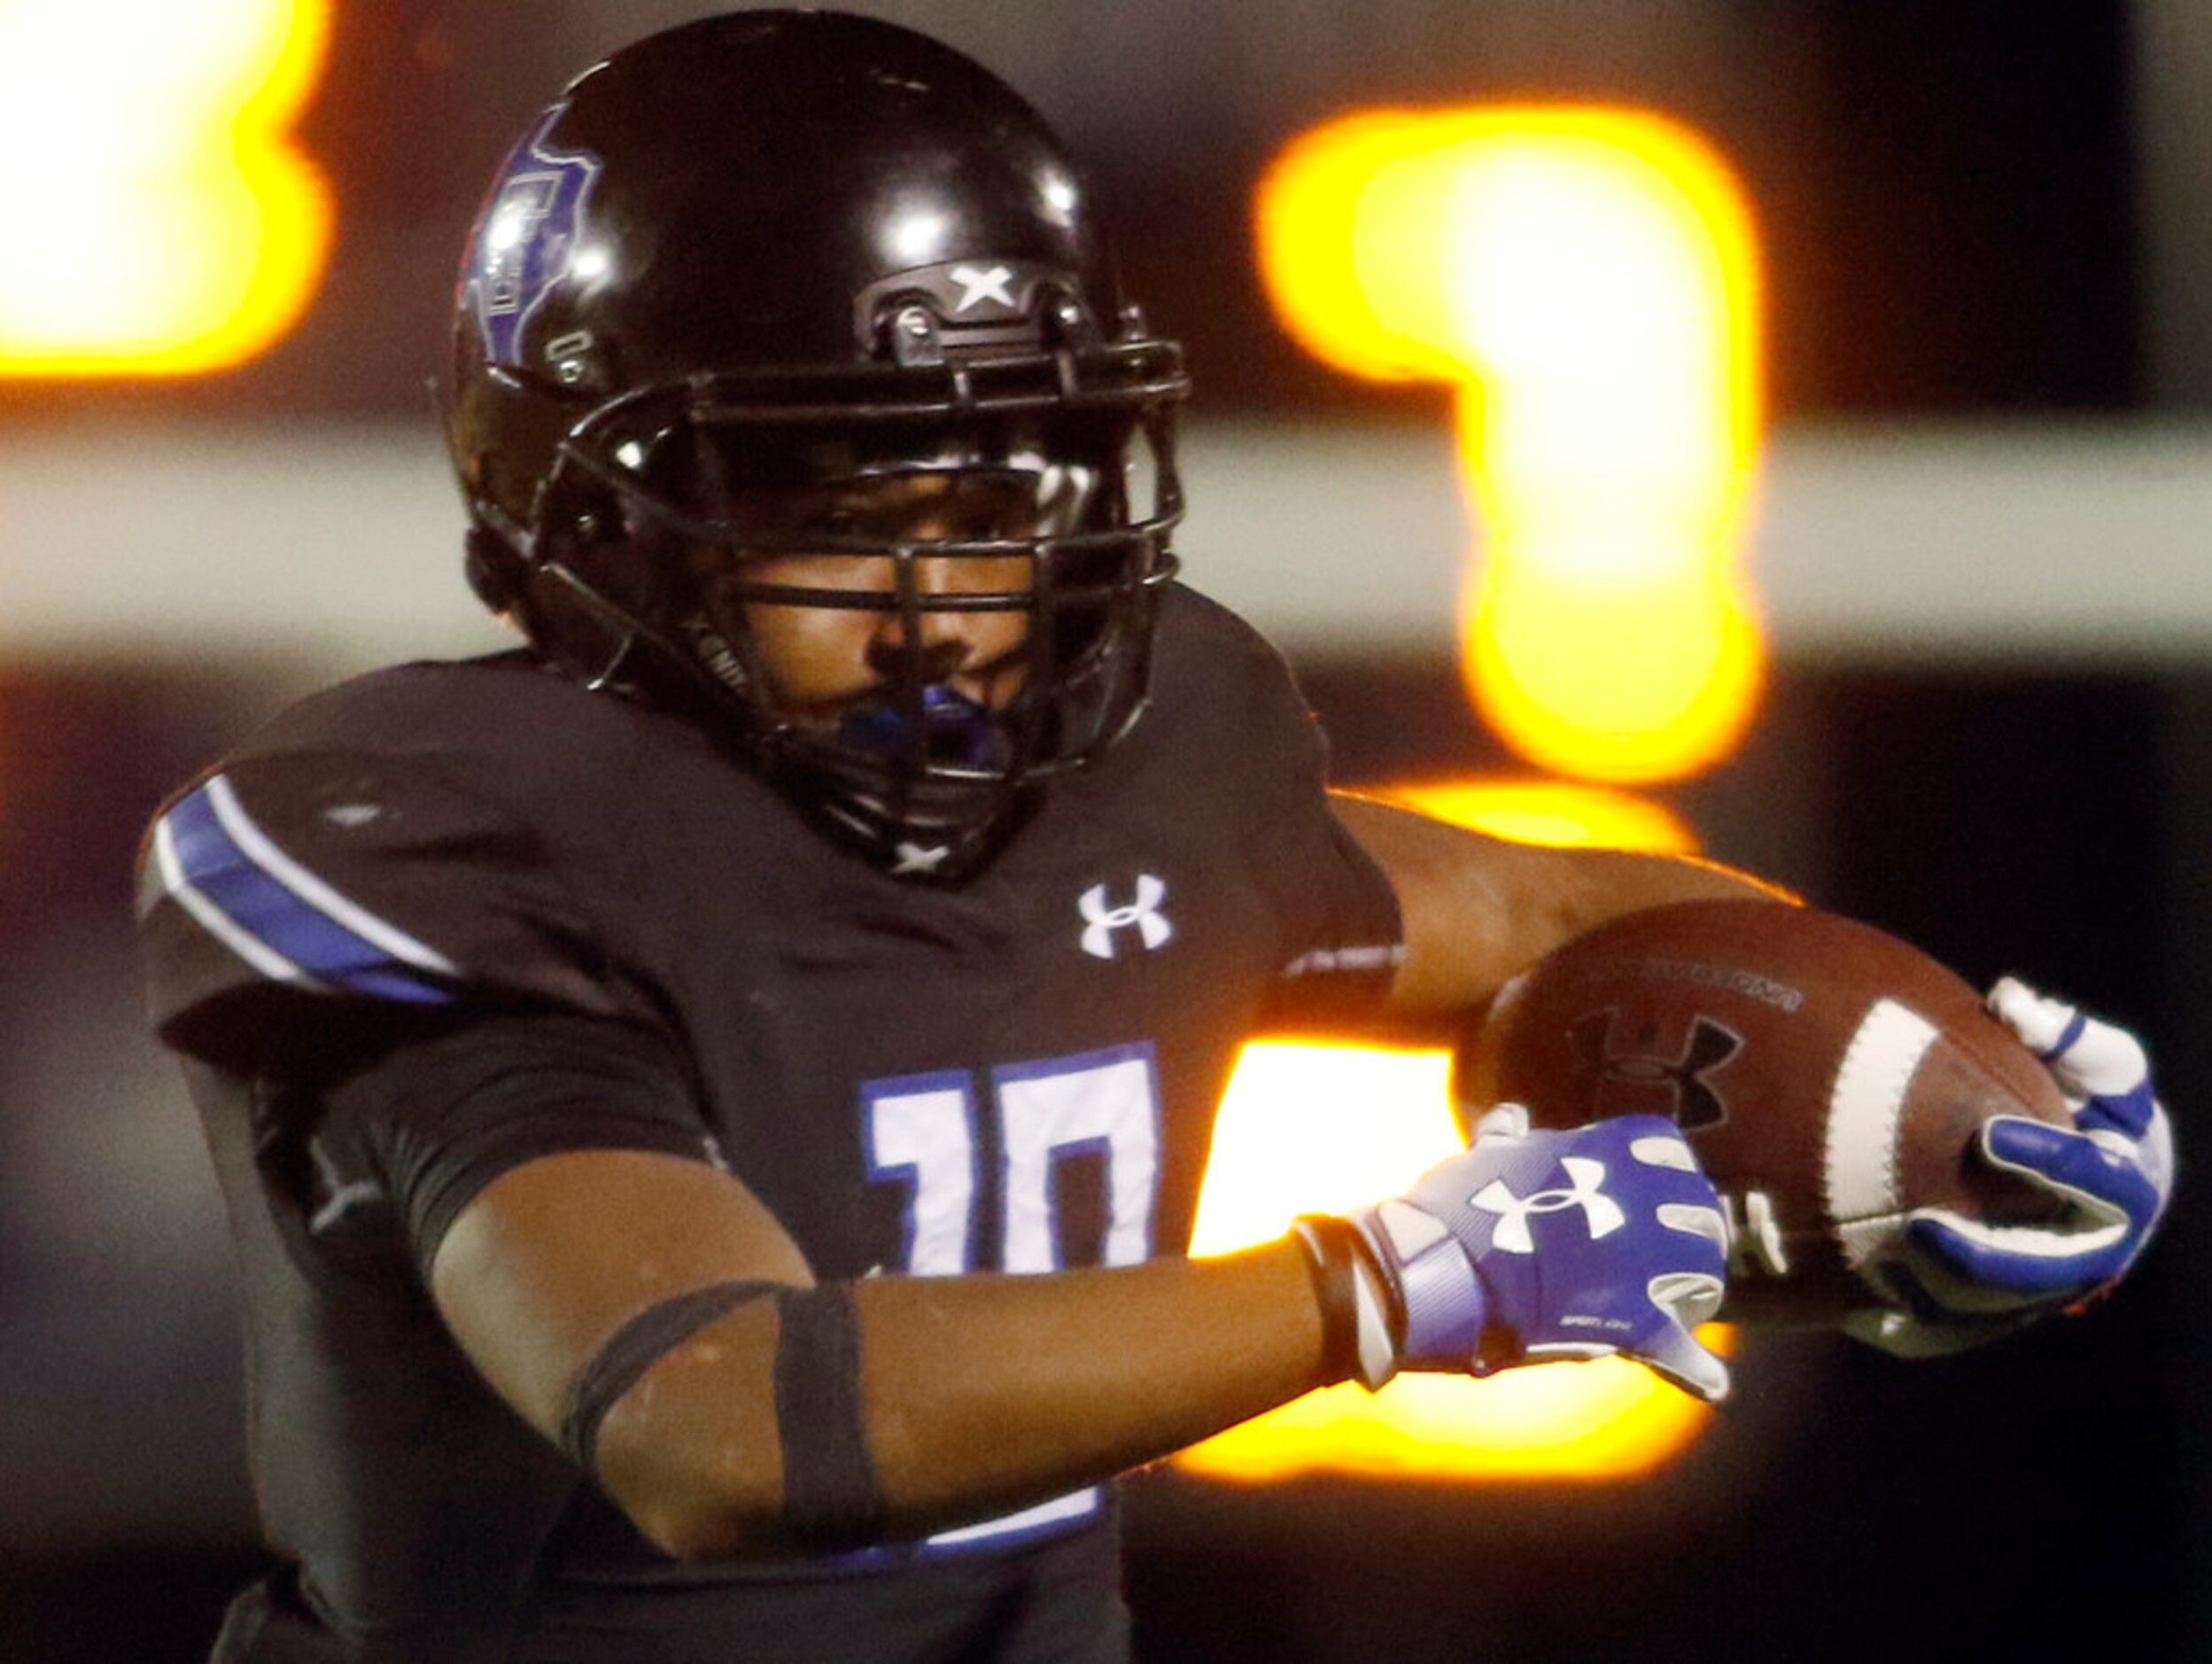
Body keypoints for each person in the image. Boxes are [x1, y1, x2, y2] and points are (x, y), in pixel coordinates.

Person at [136, 12, 2173, 1662]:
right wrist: (1391, 1289)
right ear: (597, 513)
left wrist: (1953, 1092)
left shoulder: (1146, 759)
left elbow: (1569, 911)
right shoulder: (442, 848)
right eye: (849, 509)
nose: (949, 605)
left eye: (998, 499)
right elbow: (719, 1419)